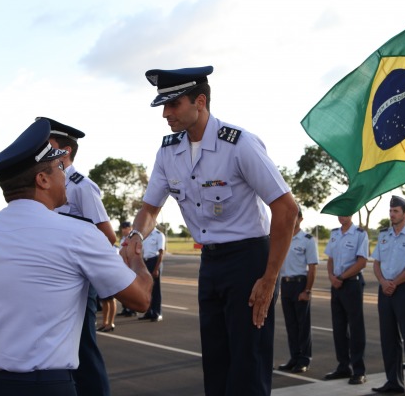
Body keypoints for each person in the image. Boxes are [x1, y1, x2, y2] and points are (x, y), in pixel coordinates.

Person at [0, 119, 152, 396]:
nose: (64, 176)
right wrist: (137, 260)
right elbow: (140, 300)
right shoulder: (79, 235)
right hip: (46, 386)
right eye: (59, 168)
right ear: (42, 179)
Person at [121, 65, 298, 396]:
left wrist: (269, 278)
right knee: (216, 365)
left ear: (199, 101)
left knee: (248, 365)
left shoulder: (239, 144)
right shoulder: (168, 151)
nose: (165, 114)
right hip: (211, 263)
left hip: (249, 261)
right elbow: (150, 209)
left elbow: (287, 209)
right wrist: (135, 235)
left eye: (172, 105)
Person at [40, 116, 118, 396]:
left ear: (65, 151)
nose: (41, 150)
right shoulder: (47, 185)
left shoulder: (80, 186)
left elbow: (107, 236)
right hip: (56, 281)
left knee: (83, 349)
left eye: (48, 145)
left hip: (79, 284)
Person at [371, 195, 405, 396]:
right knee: (388, 338)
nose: (391, 214)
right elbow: (376, 262)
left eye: (395, 211)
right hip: (385, 290)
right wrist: (384, 282)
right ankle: (394, 382)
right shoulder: (384, 234)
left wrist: (394, 282)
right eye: (390, 211)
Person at [323, 215, 369, 385]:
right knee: (339, 327)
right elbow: (330, 259)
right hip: (336, 285)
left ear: (351, 214)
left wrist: (341, 277)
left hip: (351, 284)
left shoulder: (359, 234)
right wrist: (331, 277)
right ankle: (343, 366)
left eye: (345, 213)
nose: (341, 216)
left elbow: (362, 262)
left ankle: (359, 370)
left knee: (356, 328)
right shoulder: (334, 234)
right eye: (339, 213)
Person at [277, 207, 319, 374]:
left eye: (294, 217)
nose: (291, 220)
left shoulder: (307, 240)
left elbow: (312, 268)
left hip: (300, 284)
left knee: (303, 325)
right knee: (291, 325)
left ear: (300, 219)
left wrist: (307, 290)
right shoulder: (282, 237)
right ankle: (294, 357)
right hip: (286, 285)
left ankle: (304, 360)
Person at [138, 225, 166, 322]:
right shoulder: (144, 235)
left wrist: (156, 269)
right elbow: (142, 251)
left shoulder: (159, 235)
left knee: (156, 289)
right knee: (147, 289)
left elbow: (161, 253)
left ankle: (157, 313)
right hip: (145, 262)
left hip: (154, 262)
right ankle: (149, 312)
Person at [117, 221, 137, 318]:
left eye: (126, 228)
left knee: (131, 288)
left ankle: (132, 309)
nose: (124, 230)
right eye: (123, 228)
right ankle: (125, 308)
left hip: (130, 265)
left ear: (131, 228)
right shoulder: (122, 239)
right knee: (123, 287)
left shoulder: (133, 239)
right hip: (123, 266)